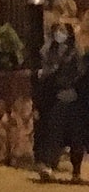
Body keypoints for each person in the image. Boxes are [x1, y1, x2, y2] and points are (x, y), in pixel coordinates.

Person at [33, 24, 85, 183]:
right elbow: (44, 71)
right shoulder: (49, 50)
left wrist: (74, 88)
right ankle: (48, 166)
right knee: (53, 132)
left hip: (74, 100)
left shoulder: (75, 52)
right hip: (56, 98)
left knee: (76, 136)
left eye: (63, 31)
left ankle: (76, 172)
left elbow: (81, 73)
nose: (60, 34)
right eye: (58, 31)